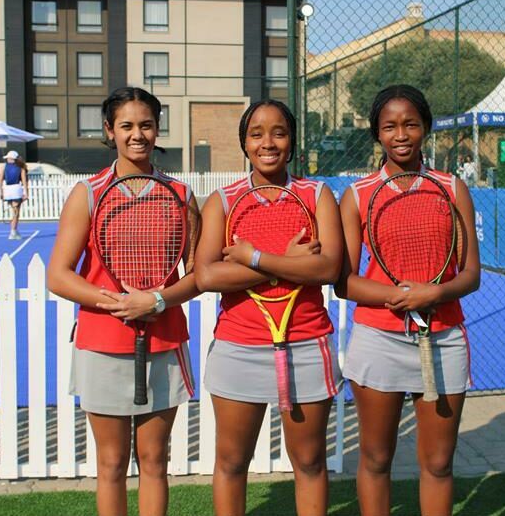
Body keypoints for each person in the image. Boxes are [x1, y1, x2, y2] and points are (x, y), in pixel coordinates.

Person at [47, 86, 200, 516]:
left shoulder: (181, 195)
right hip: (101, 344)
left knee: (155, 461)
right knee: (111, 463)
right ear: (109, 130)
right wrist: (117, 303)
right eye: (127, 125)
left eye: (147, 125)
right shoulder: (88, 194)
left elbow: (197, 277)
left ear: (157, 128)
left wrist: (154, 301)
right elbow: (58, 276)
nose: (138, 135)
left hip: (165, 342)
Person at [336, 84, 481, 516]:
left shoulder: (452, 188)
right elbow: (344, 282)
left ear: (425, 129)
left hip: (444, 338)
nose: (401, 135)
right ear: (377, 135)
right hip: (377, 340)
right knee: (377, 459)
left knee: (437, 463)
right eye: (390, 127)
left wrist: (435, 292)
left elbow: (471, 273)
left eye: (411, 125)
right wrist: (398, 297)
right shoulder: (358, 194)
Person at [195, 100, 343, 516]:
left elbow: (329, 267)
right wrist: (290, 262)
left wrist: (254, 258)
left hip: (306, 345)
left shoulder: (317, 195)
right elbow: (207, 276)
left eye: (278, 132)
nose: (268, 142)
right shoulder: (221, 202)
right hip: (237, 347)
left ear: (292, 140)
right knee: (230, 462)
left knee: (311, 462)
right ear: (244, 142)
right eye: (257, 133)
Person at [0, 150, 29, 239]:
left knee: (14, 211)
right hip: (15, 189)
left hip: (8, 190)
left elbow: (0, 181)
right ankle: (13, 231)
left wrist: (1, 192)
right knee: (16, 212)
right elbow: (24, 181)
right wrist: (26, 193)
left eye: (8, 158)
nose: (7, 159)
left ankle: (14, 230)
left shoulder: (4, 167)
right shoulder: (21, 168)